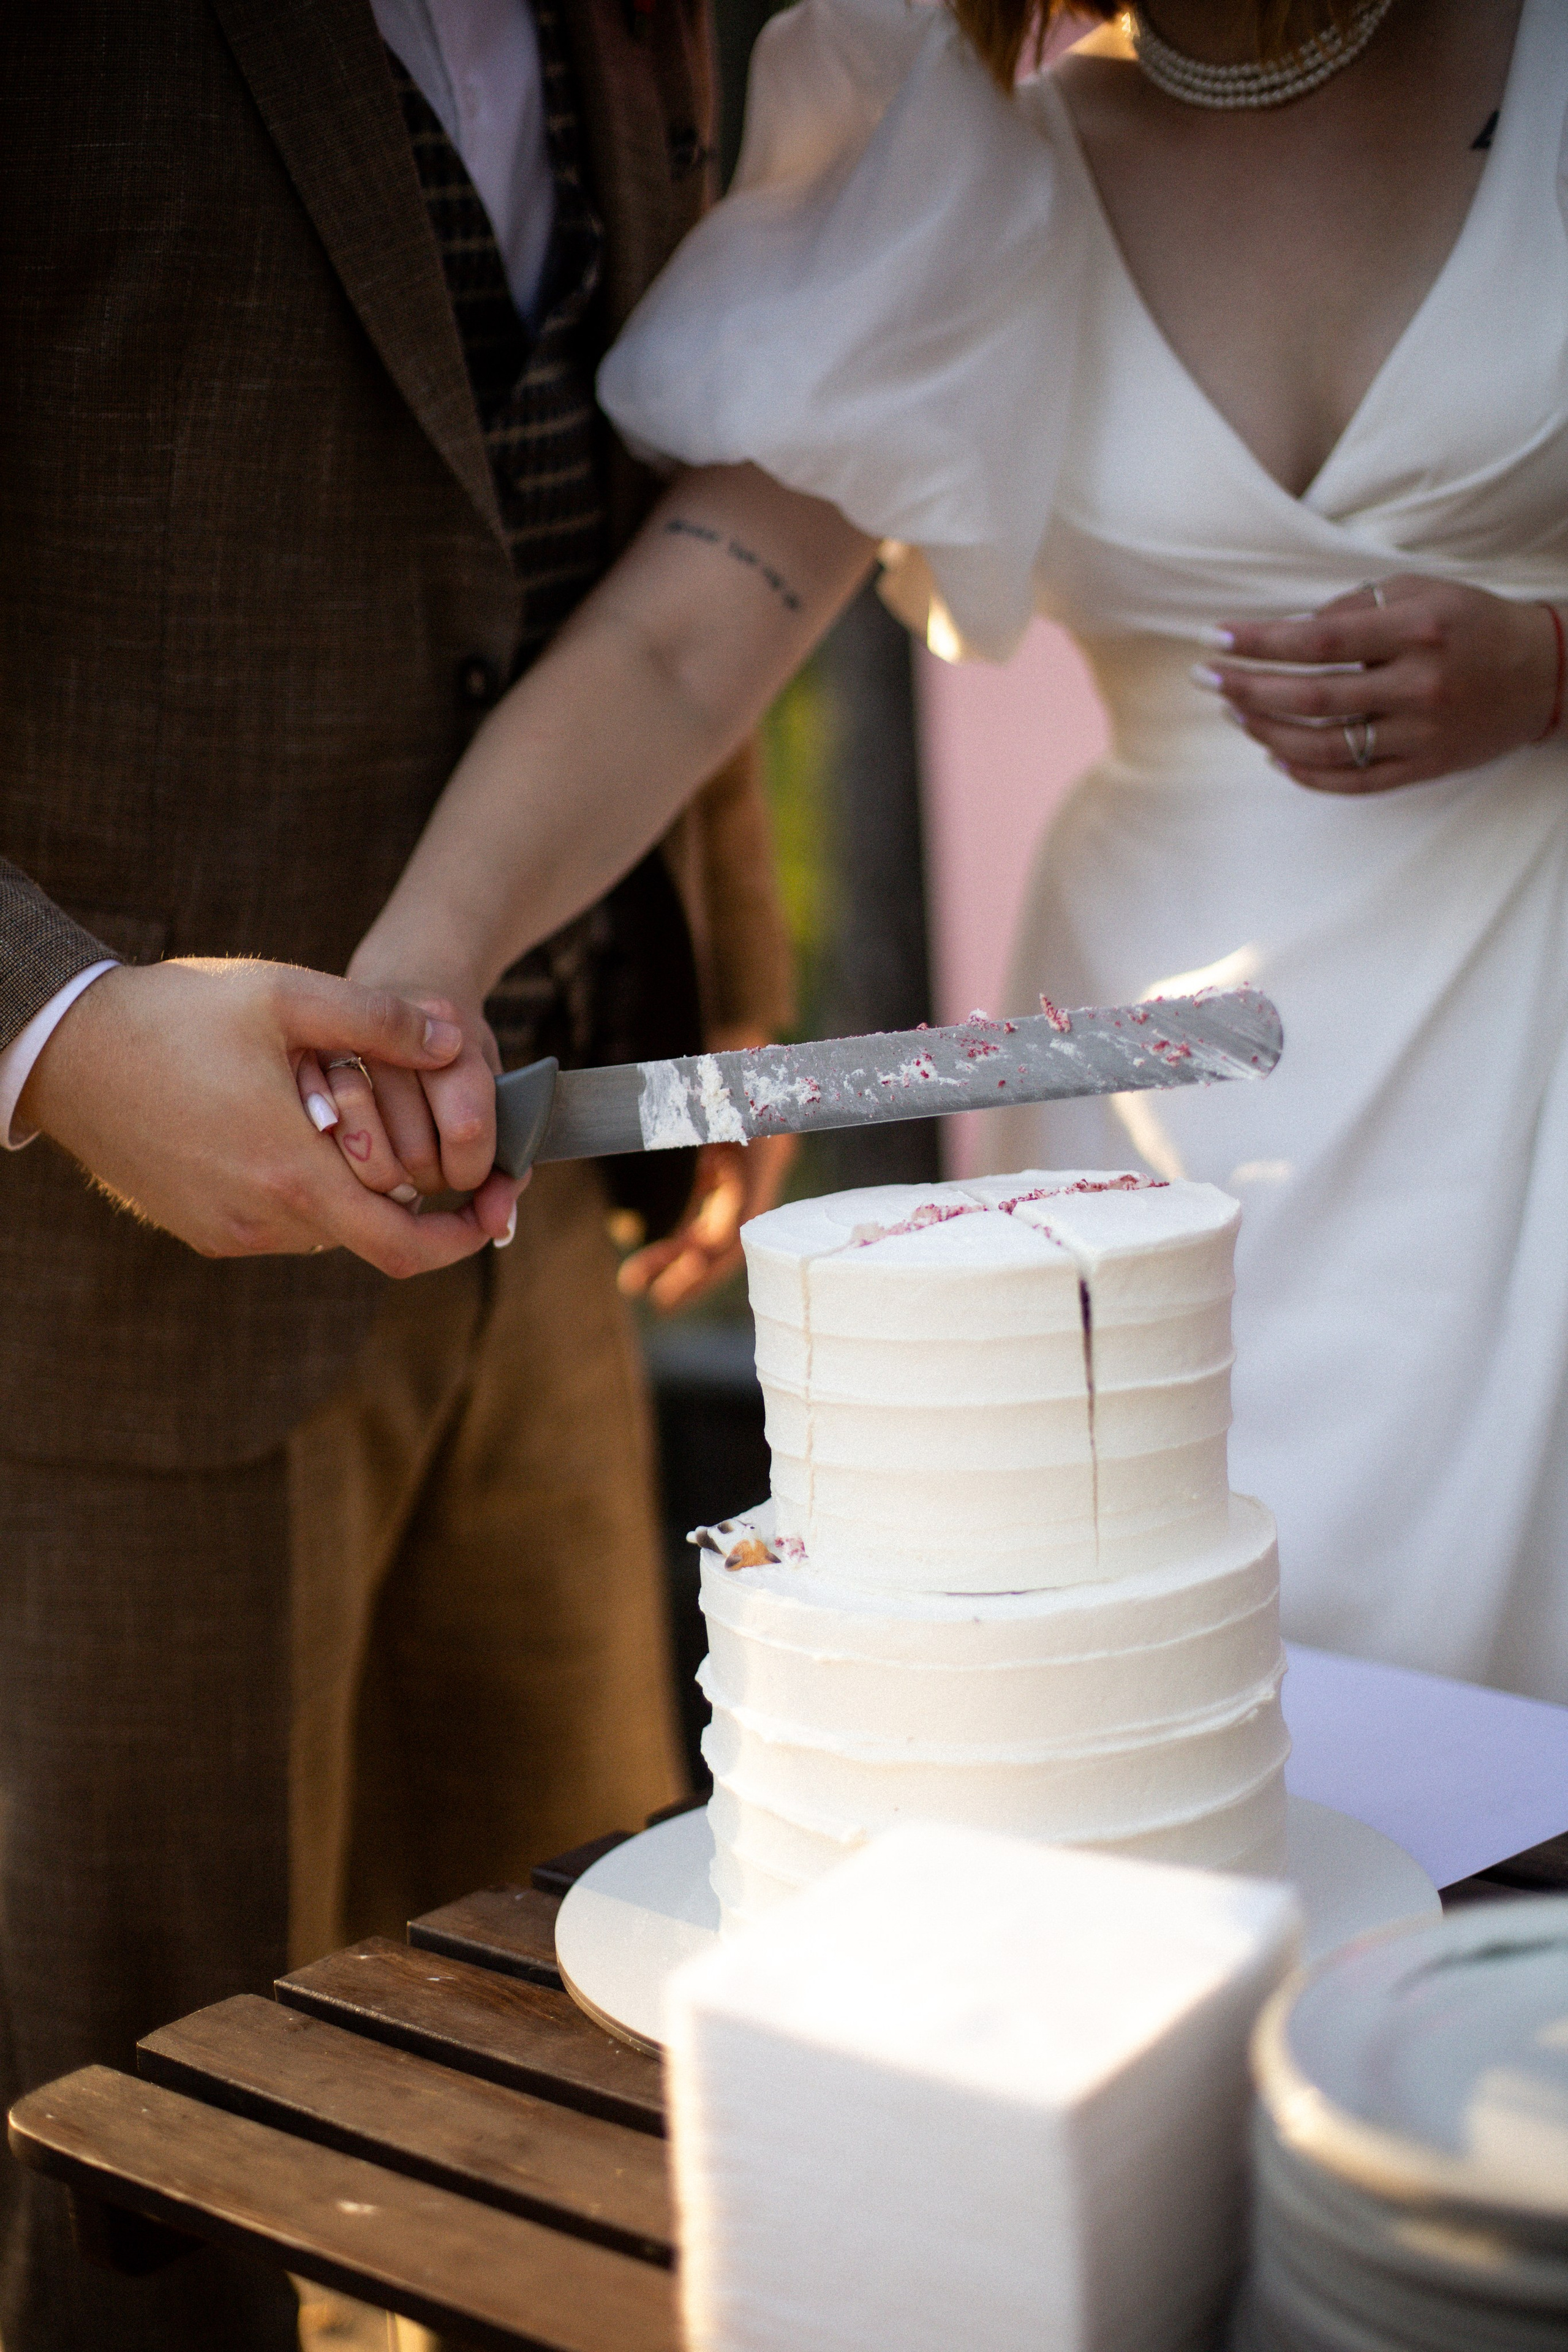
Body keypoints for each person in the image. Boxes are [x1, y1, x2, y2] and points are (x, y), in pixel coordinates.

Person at [317, 0, 1568, 1709]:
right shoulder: (974, 164)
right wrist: (423, 969)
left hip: (1537, 1023)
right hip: (1163, 1085)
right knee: (1165, 1711)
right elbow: (679, 650)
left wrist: (1551, 669)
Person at [0, 3, 794, 2344]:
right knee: (127, 2201)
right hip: (80, 1311)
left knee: (576, 2073)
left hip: (526, 1221)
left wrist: (711, 961)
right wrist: (53, 1026)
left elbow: (650, 509)